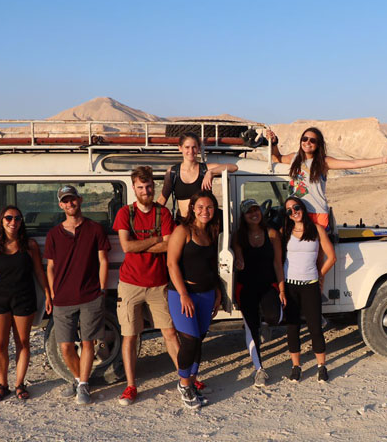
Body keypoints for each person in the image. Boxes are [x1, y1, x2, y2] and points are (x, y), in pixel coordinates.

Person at [112, 166, 181, 406]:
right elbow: (126, 247)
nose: (145, 191)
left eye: (149, 186)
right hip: (130, 283)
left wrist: (140, 243)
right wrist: (154, 240)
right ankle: (131, 386)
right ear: (133, 188)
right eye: (140, 187)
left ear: (154, 186)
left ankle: (185, 378)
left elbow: (169, 245)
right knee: (130, 335)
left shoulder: (163, 213)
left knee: (170, 332)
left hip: (158, 282)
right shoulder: (125, 213)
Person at [45, 185, 110, 405]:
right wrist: (53, 294)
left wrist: (101, 289)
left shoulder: (95, 229)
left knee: (88, 343)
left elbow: (103, 260)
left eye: (73, 199)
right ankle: (78, 378)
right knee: (65, 346)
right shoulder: (54, 234)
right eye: (65, 201)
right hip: (63, 299)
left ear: (80, 200)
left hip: (90, 296)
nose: (70, 203)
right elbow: (51, 267)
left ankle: (83, 385)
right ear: (60, 205)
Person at [0, 206, 50, 401]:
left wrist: (48, 294)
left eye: (17, 218)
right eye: (8, 218)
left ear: (21, 222)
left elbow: (38, 272)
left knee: (23, 343)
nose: (13, 222)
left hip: (24, 300)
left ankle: (19, 383)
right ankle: (3, 384)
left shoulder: (30, 246)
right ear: (2, 221)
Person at [268, 127, 387, 229]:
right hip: (296, 213)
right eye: (305, 138)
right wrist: (273, 142)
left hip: (316, 213)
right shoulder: (294, 157)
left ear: (318, 144)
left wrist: (383, 160)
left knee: (317, 252)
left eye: (312, 140)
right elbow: (277, 158)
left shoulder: (323, 162)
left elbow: (353, 164)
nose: (307, 142)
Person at [166, 191, 222, 409]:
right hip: (183, 295)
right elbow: (172, 264)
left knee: (199, 339)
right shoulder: (183, 231)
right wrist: (183, 294)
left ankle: (192, 378)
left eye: (209, 207)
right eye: (200, 207)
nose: (204, 211)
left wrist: (217, 292)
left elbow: (212, 267)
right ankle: (184, 383)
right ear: (192, 208)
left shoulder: (211, 233)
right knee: (189, 340)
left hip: (206, 294)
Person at [281, 196, 336, 382]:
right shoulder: (285, 232)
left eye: (296, 207)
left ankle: (321, 366)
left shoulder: (316, 229)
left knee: (315, 328)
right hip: (290, 286)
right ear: (287, 215)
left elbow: (331, 257)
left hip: (310, 285)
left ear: (302, 208)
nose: (293, 212)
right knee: (292, 327)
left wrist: (320, 275)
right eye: (289, 210)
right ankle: (296, 367)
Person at [232, 199, 285, 387]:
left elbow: (278, 263)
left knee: (275, 317)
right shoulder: (239, 236)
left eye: (256, 210)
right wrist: (238, 262)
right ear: (243, 216)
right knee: (250, 327)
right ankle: (259, 369)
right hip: (246, 287)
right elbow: (238, 258)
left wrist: (281, 288)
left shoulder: (271, 234)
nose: (253, 214)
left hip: (267, 285)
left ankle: (265, 324)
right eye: (249, 212)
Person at [157, 132, 238, 221]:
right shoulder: (173, 172)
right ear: (180, 148)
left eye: (194, 147)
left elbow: (233, 167)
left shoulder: (205, 169)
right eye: (187, 147)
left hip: (203, 224)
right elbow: (162, 199)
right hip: (182, 223)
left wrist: (211, 172)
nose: (191, 151)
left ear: (199, 148)